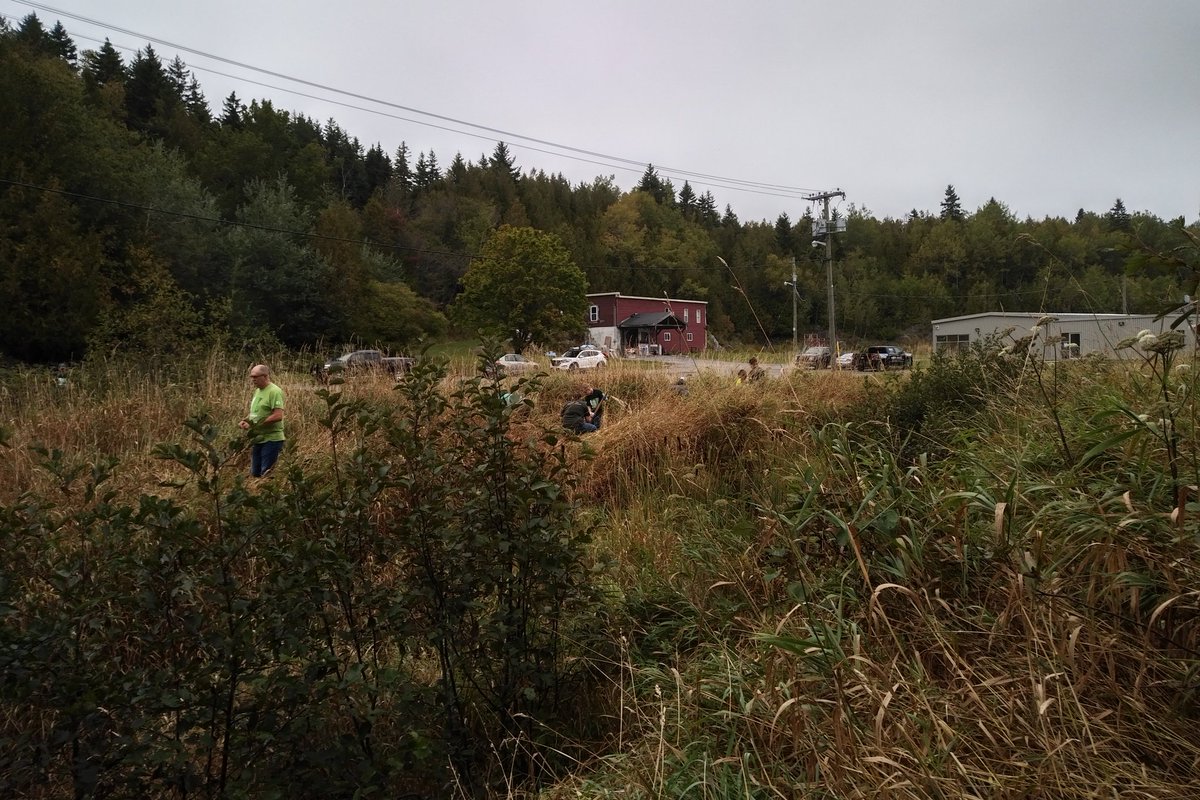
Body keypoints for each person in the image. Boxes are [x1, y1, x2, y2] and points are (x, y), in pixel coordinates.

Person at [239, 364, 285, 477]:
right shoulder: (258, 391)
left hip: (271, 439)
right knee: (255, 473)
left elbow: (278, 415)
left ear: (265, 376)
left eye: (255, 377)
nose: (253, 380)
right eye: (251, 377)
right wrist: (246, 421)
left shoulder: (274, 391)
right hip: (258, 438)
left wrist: (255, 425)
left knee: (266, 473)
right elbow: (256, 413)